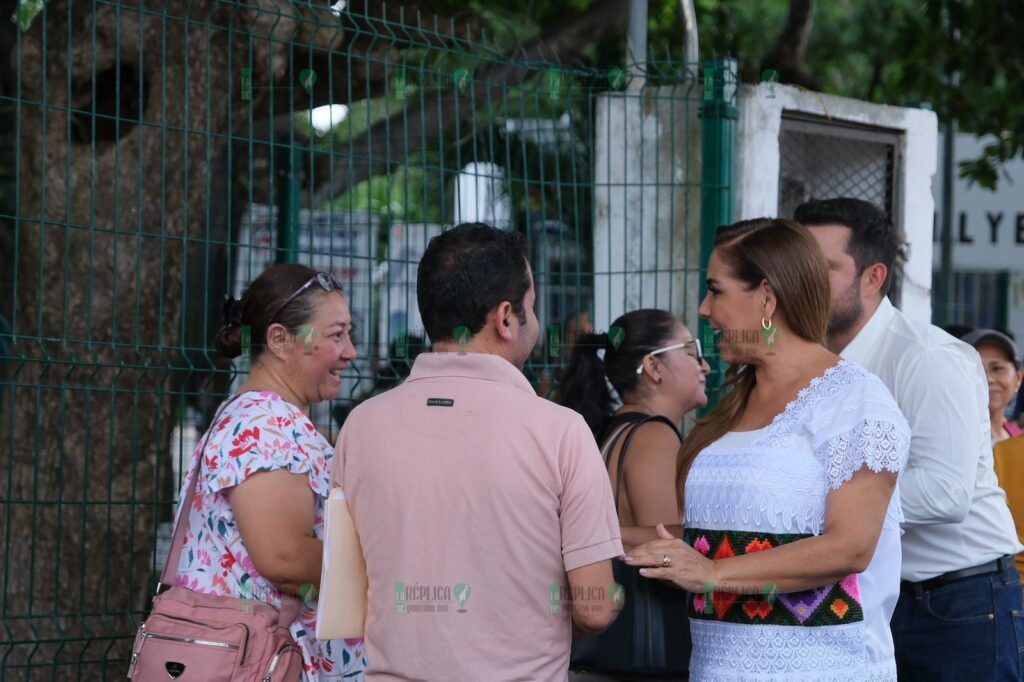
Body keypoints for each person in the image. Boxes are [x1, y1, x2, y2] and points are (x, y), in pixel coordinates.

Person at [331, 223, 623, 680]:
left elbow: (350, 586)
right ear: (505, 318)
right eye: (532, 306)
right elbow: (597, 607)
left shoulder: (360, 427)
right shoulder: (561, 433)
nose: (537, 321)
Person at [623, 218, 910, 680]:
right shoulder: (733, 404)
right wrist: (599, 535)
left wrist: (711, 576)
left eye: (716, 290)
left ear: (767, 297)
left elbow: (850, 547)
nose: (703, 308)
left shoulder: (855, 400)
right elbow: (710, 542)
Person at [796, 197, 1024, 680]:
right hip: (871, 600)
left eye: (824, 267)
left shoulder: (926, 357)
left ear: (873, 278)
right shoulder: (809, 359)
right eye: (798, 266)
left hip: (957, 605)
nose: (804, 281)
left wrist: (814, 500)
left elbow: (947, 494)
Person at [172, 264, 366, 680]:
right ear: (279, 339)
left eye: (348, 334)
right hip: (266, 664)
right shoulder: (265, 423)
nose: (350, 352)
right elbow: (284, 557)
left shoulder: (252, 413)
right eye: (336, 335)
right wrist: (393, 560)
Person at [558, 309, 709, 526]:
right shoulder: (654, 437)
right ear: (654, 367)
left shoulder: (620, 429)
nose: (705, 367)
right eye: (691, 351)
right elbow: (665, 547)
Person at [961, 329, 1024, 583]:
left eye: (997, 368)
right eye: (976, 367)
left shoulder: (1014, 442)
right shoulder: (952, 446)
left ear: (1018, 378)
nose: (987, 378)